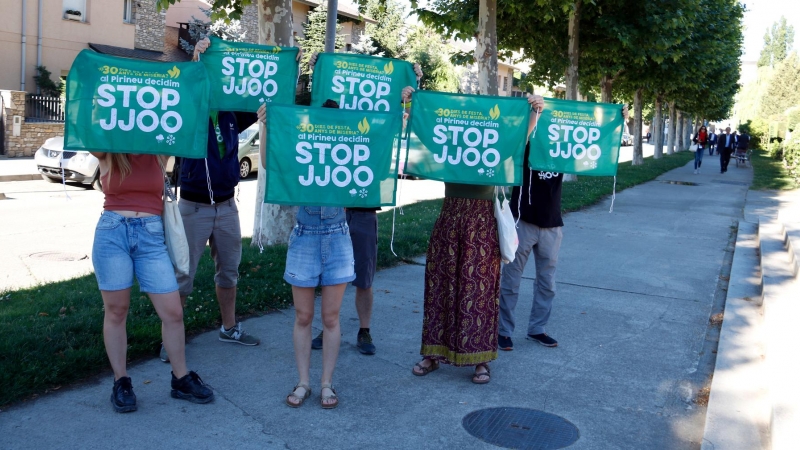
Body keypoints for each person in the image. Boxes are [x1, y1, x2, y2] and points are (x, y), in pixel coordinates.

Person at [160, 37, 302, 360]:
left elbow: (266, 95)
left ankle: (228, 327)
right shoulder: (189, 110)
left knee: (229, 272)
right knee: (183, 274)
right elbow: (180, 92)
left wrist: (289, 69)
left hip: (226, 206)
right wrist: (197, 59)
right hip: (192, 206)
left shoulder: (231, 113)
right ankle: (172, 337)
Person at [409, 93, 545, 384]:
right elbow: (422, 129)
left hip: (483, 223)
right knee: (441, 287)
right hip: (450, 218)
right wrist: (411, 101)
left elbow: (520, 137)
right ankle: (432, 354)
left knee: (480, 292)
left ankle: (481, 360)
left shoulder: (498, 144)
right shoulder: (448, 141)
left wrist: (535, 110)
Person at [306, 53, 422, 356]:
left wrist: (412, 88)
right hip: (331, 211)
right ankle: (326, 327)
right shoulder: (327, 121)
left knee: (364, 277)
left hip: (363, 211)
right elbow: (307, 114)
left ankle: (364, 330)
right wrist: (316, 70)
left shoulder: (375, 128)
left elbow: (405, 122)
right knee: (329, 276)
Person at [497, 103, 629, 352]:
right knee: (511, 280)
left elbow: (595, 139)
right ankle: (504, 331)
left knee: (547, 283)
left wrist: (618, 119)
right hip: (522, 222)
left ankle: (537, 329)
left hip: (552, 226)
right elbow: (520, 136)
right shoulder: (526, 145)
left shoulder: (563, 151)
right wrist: (536, 112)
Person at [90, 152, 214, 413]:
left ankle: (181, 379)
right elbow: (85, 122)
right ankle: (121, 382)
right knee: (116, 310)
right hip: (113, 232)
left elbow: (188, 121)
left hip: (150, 233)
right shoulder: (109, 148)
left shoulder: (158, 148)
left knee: (173, 311)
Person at [259, 99, 354, 409]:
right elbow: (271, 164)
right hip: (305, 238)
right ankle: (304, 382)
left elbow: (377, 165)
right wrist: (265, 125)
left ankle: (327, 383)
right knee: (303, 316)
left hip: (338, 237)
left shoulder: (350, 150)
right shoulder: (303, 148)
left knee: (330, 317)